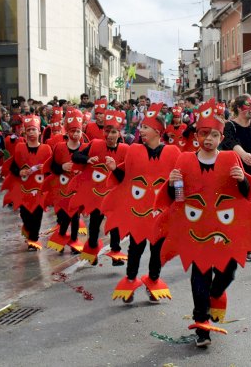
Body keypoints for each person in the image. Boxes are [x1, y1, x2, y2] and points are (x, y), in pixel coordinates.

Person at [158, 98, 251, 348]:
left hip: (224, 231)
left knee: (228, 271)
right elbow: (173, 200)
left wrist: (242, 180)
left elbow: (246, 194)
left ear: (220, 138)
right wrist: (173, 183)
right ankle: (202, 325)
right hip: (196, 231)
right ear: (197, 135)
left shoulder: (230, 159)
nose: (208, 139)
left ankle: (216, 294)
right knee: (199, 277)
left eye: (214, 134)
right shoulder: (185, 161)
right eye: (204, 133)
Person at [101, 102, 181, 303]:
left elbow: (178, 186)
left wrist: (177, 199)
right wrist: (114, 169)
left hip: (160, 213)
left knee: (157, 249)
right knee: (135, 247)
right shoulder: (134, 150)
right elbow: (125, 179)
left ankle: (153, 280)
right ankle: (130, 279)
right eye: (141, 127)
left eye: (145, 127)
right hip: (138, 212)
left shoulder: (173, 153)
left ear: (157, 130)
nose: (141, 131)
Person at [69, 110, 129, 265]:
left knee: (114, 223)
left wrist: (115, 169)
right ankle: (93, 249)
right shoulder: (95, 145)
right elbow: (75, 156)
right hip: (96, 194)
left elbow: (127, 176)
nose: (109, 136)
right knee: (95, 225)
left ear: (119, 132)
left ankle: (116, 252)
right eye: (107, 131)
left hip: (114, 194)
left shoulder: (125, 150)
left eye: (113, 132)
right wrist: (87, 159)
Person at [3, 115, 52, 251]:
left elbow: (51, 169)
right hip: (24, 188)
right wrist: (20, 172)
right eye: (29, 130)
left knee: (37, 214)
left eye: (34, 130)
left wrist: (46, 169)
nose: (31, 133)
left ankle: (34, 239)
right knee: (25, 214)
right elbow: (13, 166)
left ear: (39, 132)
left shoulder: (46, 149)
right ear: (25, 131)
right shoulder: (20, 148)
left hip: (39, 189)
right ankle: (29, 229)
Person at [45, 108, 88, 253]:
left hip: (77, 190)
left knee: (75, 216)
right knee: (64, 216)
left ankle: (74, 241)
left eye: (78, 131)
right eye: (72, 131)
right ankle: (62, 235)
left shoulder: (85, 148)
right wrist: (62, 166)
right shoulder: (59, 147)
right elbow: (52, 167)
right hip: (61, 189)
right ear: (67, 132)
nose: (75, 134)